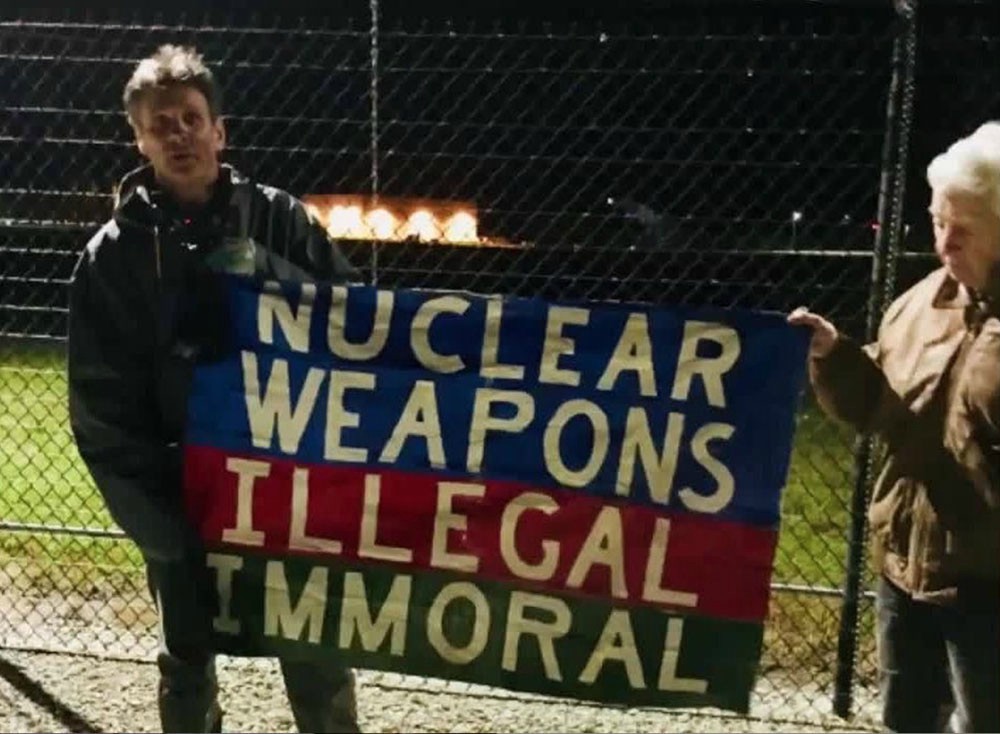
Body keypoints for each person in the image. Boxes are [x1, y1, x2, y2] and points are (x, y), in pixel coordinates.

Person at [67, 44, 362, 733]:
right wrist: (161, 526)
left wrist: (266, 271)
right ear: (138, 140)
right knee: (187, 657)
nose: (178, 134)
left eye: (191, 118)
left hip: (287, 487)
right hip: (181, 490)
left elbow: (354, 323)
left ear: (219, 130)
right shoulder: (112, 257)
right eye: (160, 123)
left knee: (315, 648)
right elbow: (101, 408)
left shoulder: (282, 221)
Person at [789, 123, 1000, 733]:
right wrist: (836, 357)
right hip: (905, 568)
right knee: (907, 720)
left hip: (986, 582)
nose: (943, 243)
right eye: (937, 222)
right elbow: (879, 402)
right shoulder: (922, 303)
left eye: (962, 229)